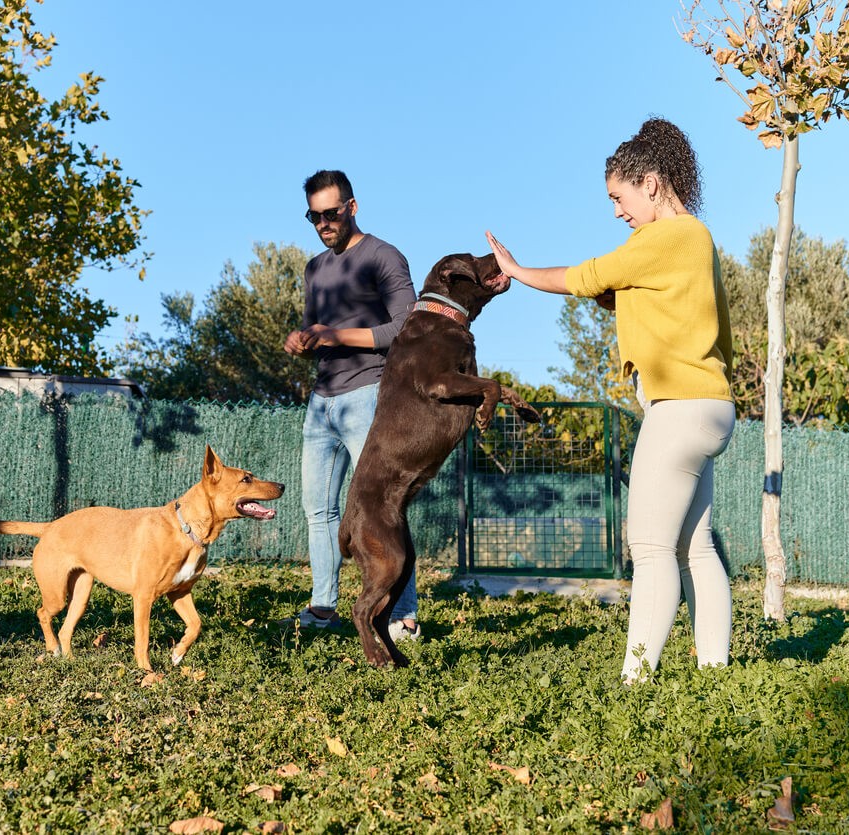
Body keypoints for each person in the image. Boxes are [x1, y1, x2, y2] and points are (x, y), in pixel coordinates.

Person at [485, 117, 736, 682]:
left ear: (650, 183)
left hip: (678, 410)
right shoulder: (697, 241)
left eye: (618, 197)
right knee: (694, 548)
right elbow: (662, 307)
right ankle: (719, 679)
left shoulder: (664, 237)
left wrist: (517, 270)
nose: (617, 211)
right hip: (711, 407)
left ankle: (634, 684)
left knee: (647, 548)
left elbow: (589, 276)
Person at [284, 169, 423, 640]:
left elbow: (407, 328)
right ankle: (323, 608)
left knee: (382, 509)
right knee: (318, 511)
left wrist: (336, 335)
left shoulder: (383, 256)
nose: (323, 222)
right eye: (314, 216)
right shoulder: (315, 268)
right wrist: (302, 340)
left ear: (352, 206)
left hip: (369, 397)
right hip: (321, 402)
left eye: (331, 212)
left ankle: (402, 614)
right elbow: (314, 329)